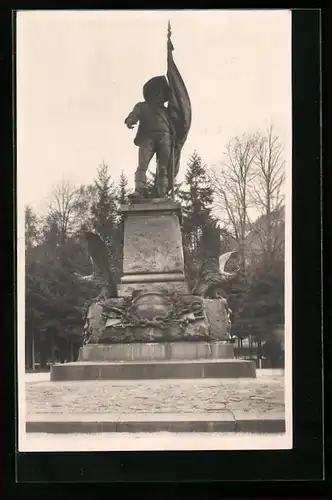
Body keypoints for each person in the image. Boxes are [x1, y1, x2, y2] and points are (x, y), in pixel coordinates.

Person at [125, 76, 176, 199]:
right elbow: (134, 114)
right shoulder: (142, 106)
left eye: (161, 91)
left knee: (163, 167)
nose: (159, 94)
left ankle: (162, 192)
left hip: (165, 139)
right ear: (150, 93)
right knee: (142, 165)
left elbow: (175, 124)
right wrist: (130, 120)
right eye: (156, 91)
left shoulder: (167, 111)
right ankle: (140, 190)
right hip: (147, 138)